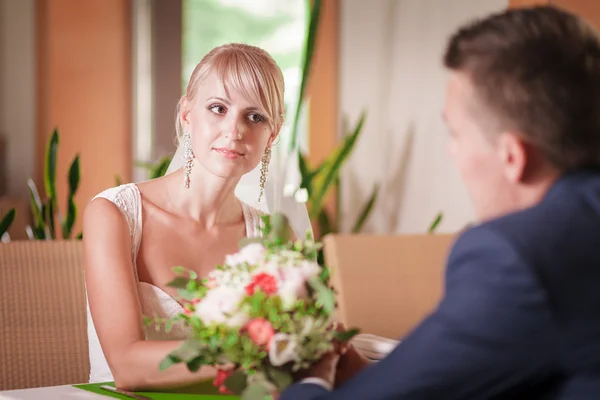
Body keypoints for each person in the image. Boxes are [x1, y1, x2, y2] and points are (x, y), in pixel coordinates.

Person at [281, 5, 600, 399]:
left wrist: (308, 375)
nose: (453, 153)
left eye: (456, 134)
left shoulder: (514, 259)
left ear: (512, 157)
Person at [82, 43, 311, 391]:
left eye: (255, 117)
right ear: (187, 115)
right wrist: (260, 349)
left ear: (272, 134)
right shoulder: (115, 215)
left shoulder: (275, 240)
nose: (234, 131)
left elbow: (302, 358)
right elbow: (127, 366)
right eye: (218, 108)